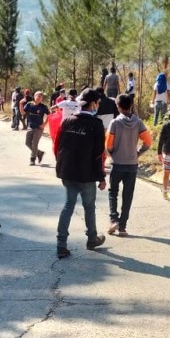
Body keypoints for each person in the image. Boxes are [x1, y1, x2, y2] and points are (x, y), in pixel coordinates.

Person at [55, 88, 107, 258]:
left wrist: (61, 165)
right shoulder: (97, 125)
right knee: (89, 207)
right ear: (93, 104)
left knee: (68, 206)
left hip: (67, 172)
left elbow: (57, 146)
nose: (97, 106)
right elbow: (99, 154)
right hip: (86, 174)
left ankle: (61, 244)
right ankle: (92, 239)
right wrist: (101, 177)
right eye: (97, 103)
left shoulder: (67, 121)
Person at [106, 93, 152, 236]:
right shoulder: (138, 123)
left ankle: (114, 220)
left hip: (117, 163)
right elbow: (148, 142)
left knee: (113, 193)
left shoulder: (114, 123)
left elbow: (108, 144)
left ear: (118, 106)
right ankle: (123, 227)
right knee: (128, 195)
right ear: (130, 105)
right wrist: (137, 153)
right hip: (132, 164)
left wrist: (113, 153)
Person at [24, 91, 50, 166]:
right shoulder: (29, 104)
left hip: (39, 128)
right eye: (38, 96)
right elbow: (23, 112)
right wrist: (20, 104)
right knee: (27, 143)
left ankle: (32, 159)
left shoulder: (43, 106)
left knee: (34, 143)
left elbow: (49, 115)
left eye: (41, 97)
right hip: (30, 126)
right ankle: (39, 153)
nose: (39, 98)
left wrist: (44, 124)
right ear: (34, 96)